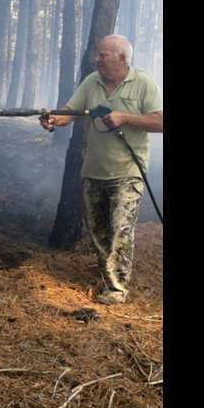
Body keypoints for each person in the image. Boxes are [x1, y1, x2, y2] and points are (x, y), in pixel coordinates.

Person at [40, 35, 163, 304]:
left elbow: (160, 121)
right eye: (98, 54)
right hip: (94, 170)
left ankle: (116, 290)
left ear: (121, 58)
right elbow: (70, 111)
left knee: (121, 228)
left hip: (128, 171)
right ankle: (109, 277)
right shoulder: (91, 82)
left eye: (103, 54)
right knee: (98, 230)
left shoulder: (142, 83)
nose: (96, 59)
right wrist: (54, 120)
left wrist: (125, 116)